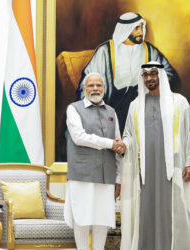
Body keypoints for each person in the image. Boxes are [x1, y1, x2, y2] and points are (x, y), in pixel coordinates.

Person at [119, 62, 190, 250]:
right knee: (146, 213)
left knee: (175, 212)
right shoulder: (135, 105)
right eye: (146, 75)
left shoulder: (179, 102)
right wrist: (124, 145)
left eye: (154, 74)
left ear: (162, 76)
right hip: (145, 172)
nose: (149, 78)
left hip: (173, 170)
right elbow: (129, 135)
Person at [77, 12, 180, 134]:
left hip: (141, 103)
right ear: (126, 29)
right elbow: (87, 81)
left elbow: (170, 74)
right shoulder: (105, 51)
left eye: (142, 27)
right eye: (136, 28)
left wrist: (149, 87)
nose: (141, 32)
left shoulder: (149, 50)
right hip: (112, 104)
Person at [64, 72, 125, 250]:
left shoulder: (111, 112)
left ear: (104, 89)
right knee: (81, 218)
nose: (95, 89)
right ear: (84, 89)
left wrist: (119, 178)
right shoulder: (73, 108)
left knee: (102, 219)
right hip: (82, 175)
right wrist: (110, 144)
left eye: (99, 85)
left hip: (106, 176)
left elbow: (118, 146)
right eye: (91, 85)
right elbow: (79, 137)